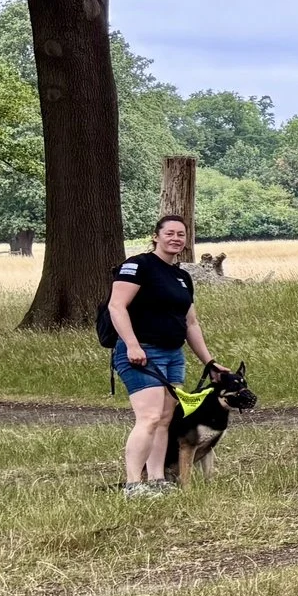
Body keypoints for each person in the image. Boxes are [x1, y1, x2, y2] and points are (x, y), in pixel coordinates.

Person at [106, 212, 221, 497]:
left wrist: (209, 361)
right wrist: (132, 345)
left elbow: (190, 323)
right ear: (156, 236)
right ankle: (133, 483)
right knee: (149, 416)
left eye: (181, 234)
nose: (175, 238)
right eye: (169, 233)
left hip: (172, 354)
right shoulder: (138, 266)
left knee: (166, 418)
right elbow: (116, 307)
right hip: (141, 353)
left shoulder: (182, 277)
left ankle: (157, 479)